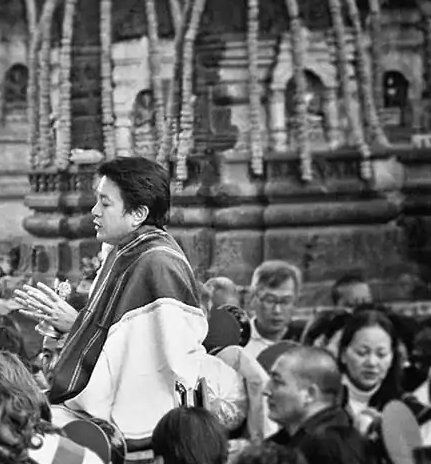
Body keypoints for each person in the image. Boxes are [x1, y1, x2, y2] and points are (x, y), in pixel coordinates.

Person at [16, 157, 205, 444]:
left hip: (143, 414)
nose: (94, 211)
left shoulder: (157, 263)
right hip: (110, 398)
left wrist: (76, 326)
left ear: (138, 214)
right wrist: (75, 326)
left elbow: (151, 363)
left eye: (105, 203)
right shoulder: (126, 251)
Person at [264, 346, 351, 449]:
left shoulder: (330, 449)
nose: (266, 391)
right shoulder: (281, 443)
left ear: (310, 394)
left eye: (277, 382)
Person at [242, 261, 305, 360]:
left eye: (285, 301)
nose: (277, 310)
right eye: (270, 300)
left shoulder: (306, 341)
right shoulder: (238, 344)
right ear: (252, 299)